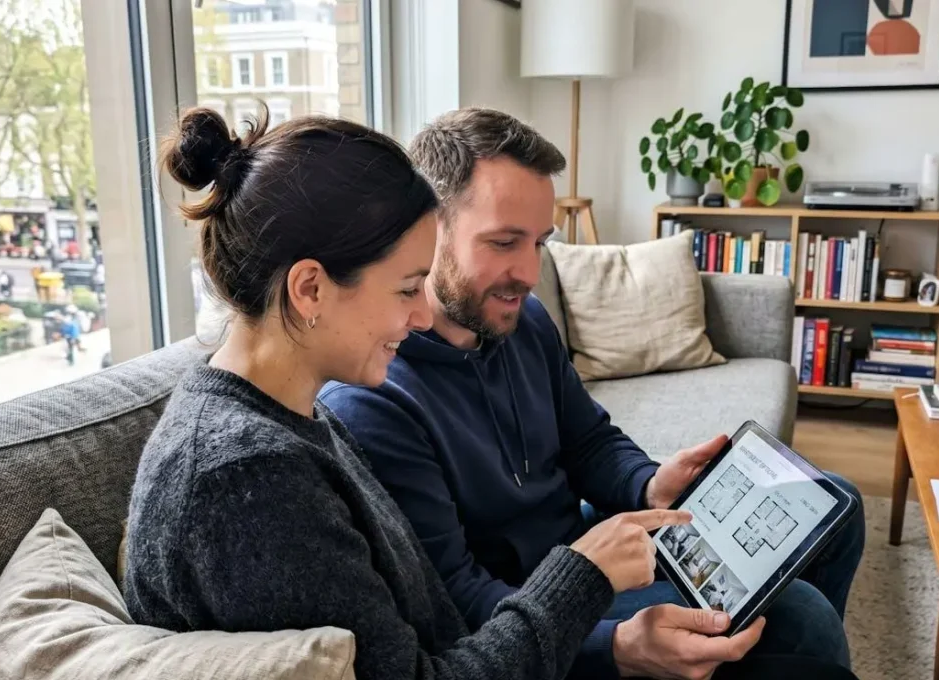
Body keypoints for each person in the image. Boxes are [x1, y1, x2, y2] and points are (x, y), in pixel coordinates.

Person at [121, 106, 725, 680]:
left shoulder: (289, 419)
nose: (419, 318)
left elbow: (424, 623)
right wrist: (584, 579)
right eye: (408, 288)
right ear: (310, 290)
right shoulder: (248, 481)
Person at [320, 108, 866, 680]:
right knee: (803, 617)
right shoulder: (375, 396)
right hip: (532, 608)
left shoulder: (522, 320)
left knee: (834, 504)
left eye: (541, 243)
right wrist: (617, 644)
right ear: (426, 231)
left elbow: (588, 440)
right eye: (505, 242)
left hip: (590, 543)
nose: (529, 273)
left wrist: (648, 483)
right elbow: (456, 606)